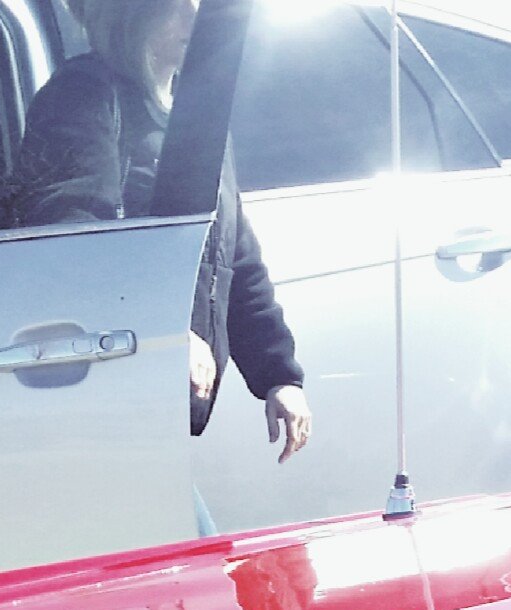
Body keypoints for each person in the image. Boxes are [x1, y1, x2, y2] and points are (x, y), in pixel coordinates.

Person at [19, 0, 312, 462]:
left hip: (154, 409)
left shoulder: (196, 114)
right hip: (101, 404)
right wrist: (163, 329)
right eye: (176, 6)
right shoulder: (84, 96)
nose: (195, 18)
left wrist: (279, 376)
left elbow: (235, 257)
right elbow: (66, 237)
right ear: (129, 14)